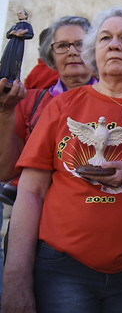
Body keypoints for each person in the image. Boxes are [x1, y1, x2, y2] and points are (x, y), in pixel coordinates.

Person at [1, 7, 122, 313]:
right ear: (93, 52)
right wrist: (15, 276)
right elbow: (30, 192)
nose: (114, 45)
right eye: (105, 38)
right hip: (63, 269)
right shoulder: (61, 106)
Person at [0, 16, 97, 206]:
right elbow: (5, 171)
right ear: (51, 55)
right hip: (35, 206)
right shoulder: (28, 101)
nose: (71, 52)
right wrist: (5, 112)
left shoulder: (115, 102)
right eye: (62, 46)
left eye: (80, 44)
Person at [0, 10, 34, 86]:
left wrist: (21, 35)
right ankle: (3, 75)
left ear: (25, 16)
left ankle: (12, 77)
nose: (18, 14)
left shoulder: (27, 25)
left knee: (15, 60)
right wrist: (11, 33)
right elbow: (8, 34)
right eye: (18, 13)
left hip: (18, 45)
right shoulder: (15, 25)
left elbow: (30, 35)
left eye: (20, 13)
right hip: (10, 45)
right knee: (5, 59)